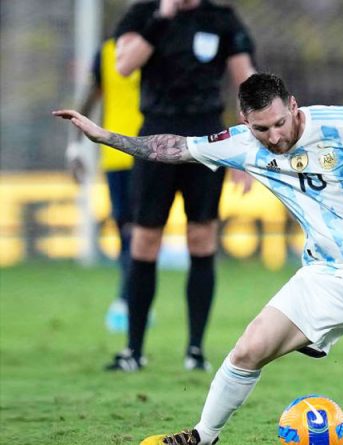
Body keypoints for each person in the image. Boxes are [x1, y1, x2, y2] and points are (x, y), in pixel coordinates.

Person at [55, 73, 343, 445]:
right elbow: (173, 147)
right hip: (323, 271)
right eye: (261, 129)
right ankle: (202, 436)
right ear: (244, 122)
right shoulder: (240, 144)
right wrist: (104, 137)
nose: (273, 137)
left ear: (293, 106)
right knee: (248, 349)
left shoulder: (341, 123)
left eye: (278, 123)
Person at [107, 0, 257, 372]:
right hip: (155, 138)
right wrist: (163, 17)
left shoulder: (221, 18)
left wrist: (248, 146)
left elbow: (247, 80)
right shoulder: (144, 14)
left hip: (206, 139)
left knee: (202, 238)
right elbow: (124, 65)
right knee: (145, 239)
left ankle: (196, 351)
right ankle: (133, 351)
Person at [66, 36, 143, 333]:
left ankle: (129, 298)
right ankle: (130, 296)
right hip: (114, 156)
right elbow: (89, 98)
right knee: (124, 228)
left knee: (141, 228)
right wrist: (74, 147)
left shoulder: (159, 45)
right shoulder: (107, 53)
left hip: (151, 152)